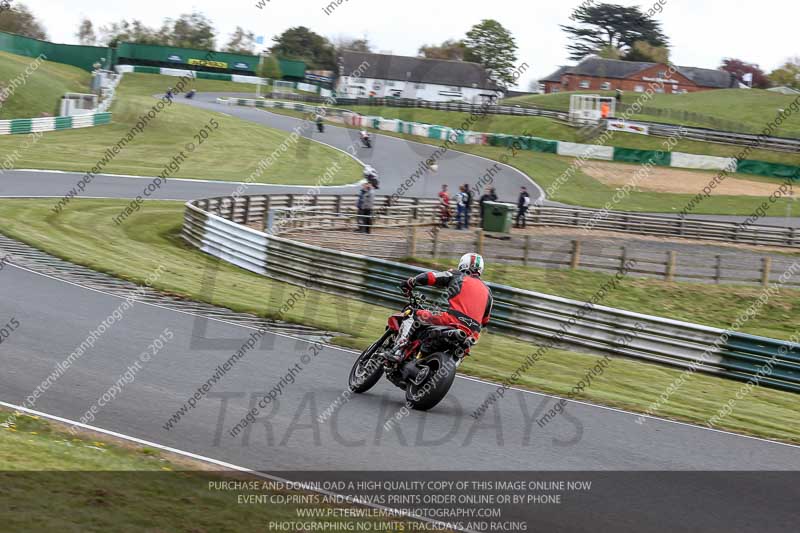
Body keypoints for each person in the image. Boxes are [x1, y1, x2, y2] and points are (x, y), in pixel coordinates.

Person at [387, 253, 493, 362]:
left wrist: (411, 282)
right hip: (472, 334)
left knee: (412, 313)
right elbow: (485, 321)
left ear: (463, 264)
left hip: (451, 320)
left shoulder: (457, 275)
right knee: (462, 352)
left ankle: (398, 351)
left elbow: (430, 277)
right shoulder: (488, 292)